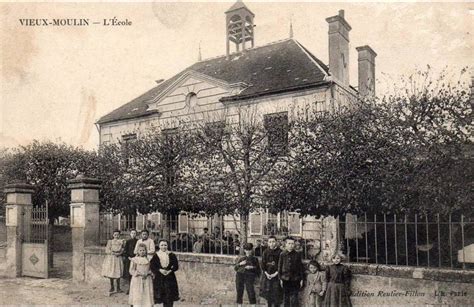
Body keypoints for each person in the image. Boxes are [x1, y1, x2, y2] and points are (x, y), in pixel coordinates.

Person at [150, 239, 180, 307]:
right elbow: (152, 266)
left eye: (165, 245)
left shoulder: (171, 255)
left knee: (169, 295)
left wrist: (170, 270)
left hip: (170, 278)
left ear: (167, 245)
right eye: (162, 245)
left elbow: (176, 265)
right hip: (160, 278)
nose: (164, 247)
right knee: (161, 294)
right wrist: (160, 270)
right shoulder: (156, 255)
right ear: (159, 246)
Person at [278, 237, 305, 307]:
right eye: (289, 243)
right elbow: (279, 267)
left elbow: (300, 267)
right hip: (285, 279)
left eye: (292, 243)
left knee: (294, 297)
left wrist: (301, 279)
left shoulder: (297, 254)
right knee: (286, 297)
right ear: (285, 244)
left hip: (295, 279)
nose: (291, 245)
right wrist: (280, 278)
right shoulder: (282, 254)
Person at [259, 236, 283, 307]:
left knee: (276, 294)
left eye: (273, 242)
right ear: (268, 243)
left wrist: (275, 274)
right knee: (268, 293)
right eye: (270, 242)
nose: (272, 244)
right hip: (267, 276)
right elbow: (263, 264)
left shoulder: (280, 252)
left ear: (276, 242)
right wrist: (266, 274)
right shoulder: (265, 252)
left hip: (276, 276)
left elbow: (281, 265)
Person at [101, 229, 124, 296]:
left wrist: (119, 253)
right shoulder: (110, 242)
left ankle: (118, 287)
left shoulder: (121, 242)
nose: (116, 236)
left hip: (118, 258)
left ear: (119, 235)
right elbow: (107, 250)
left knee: (118, 271)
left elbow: (123, 249)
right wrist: (113, 253)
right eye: (115, 235)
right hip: (111, 258)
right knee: (111, 271)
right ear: (113, 235)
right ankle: (112, 286)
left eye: (118, 235)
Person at [123, 229, 138, 294]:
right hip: (129, 259)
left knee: (135, 274)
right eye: (132, 233)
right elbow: (125, 251)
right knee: (129, 274)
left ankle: (135, 289)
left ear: (136, 234)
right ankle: (129, 288)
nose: (133, 234)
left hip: (136, 259)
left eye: (134, 233)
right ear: (130, 234)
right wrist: (128, 257)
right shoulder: (128, 241)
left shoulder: (138, 241)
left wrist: (135, 257)